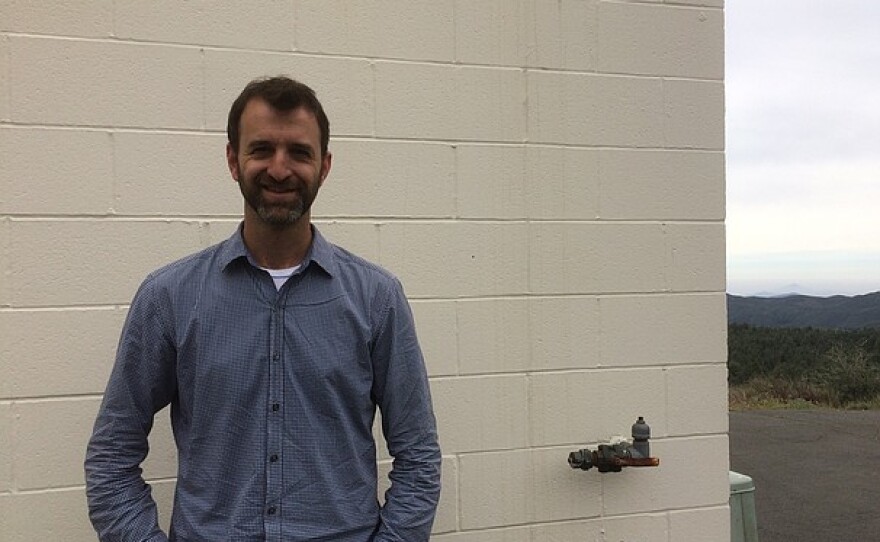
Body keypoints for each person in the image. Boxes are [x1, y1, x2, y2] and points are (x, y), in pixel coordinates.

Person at [85, 76, 441, 541]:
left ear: (325, 165)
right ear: (233, 160)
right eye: (261, 149)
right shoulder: (169, 296)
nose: (279, 169)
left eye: (299, 152)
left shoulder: (377, 299)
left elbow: (419, 458)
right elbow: (111, 456)